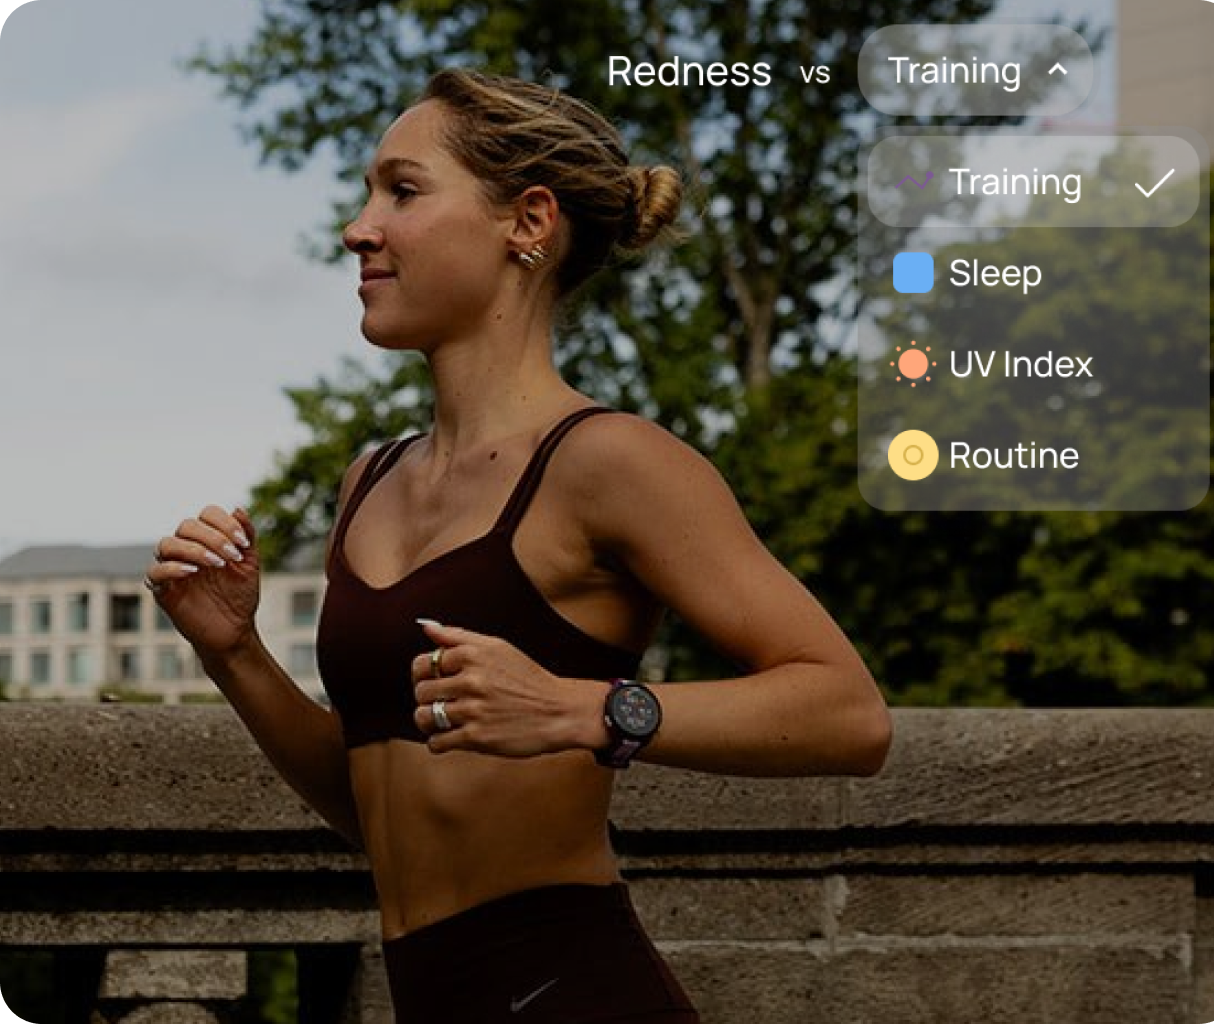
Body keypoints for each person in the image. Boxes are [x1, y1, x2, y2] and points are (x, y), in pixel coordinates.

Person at [144, 68, 891, 1024]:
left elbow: (851, 714)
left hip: (576, 991)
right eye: (369, 193)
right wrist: (234, 651)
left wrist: (589, 710)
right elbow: (382, 810)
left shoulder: (611, 462)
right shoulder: (368, 484)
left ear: (527, 223)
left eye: (402, 191)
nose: (358, 228)